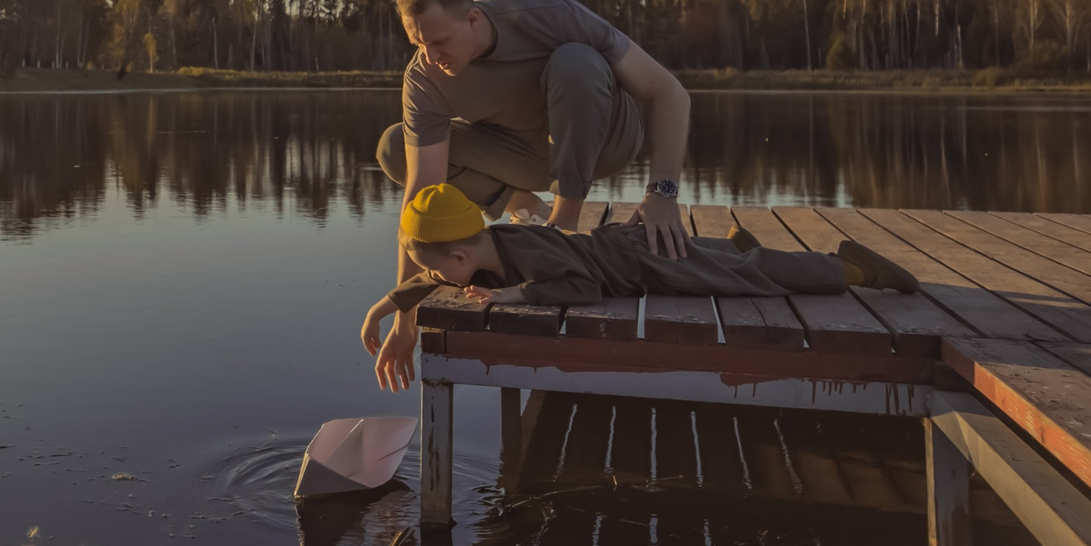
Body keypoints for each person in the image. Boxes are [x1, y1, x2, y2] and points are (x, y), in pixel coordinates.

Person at [361, 183, 923, 391]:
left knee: (752, 278)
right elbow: (429, 276)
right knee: (719, 262)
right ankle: (730, 244)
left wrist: (518, 295)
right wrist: (385, 306)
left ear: (461, 256)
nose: (439, 282)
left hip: (647, 264)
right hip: (630, 247)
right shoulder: (487, 244)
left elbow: (583, 286)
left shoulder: (526, 254)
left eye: (442, 272)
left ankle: (850, 269)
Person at [379, 0, 692, 277]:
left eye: (439, 41)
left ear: (472, 19)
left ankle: (563, 225)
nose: (430, 57)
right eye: (419, 44)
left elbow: (669, 92)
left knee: (576, 61)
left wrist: (662, 193)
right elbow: (423, 194)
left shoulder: (551, 15)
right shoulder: (424, 78)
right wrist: (405, 300)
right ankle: (523, 204)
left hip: (609, 141)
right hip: (526, 156)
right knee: (396, 147)